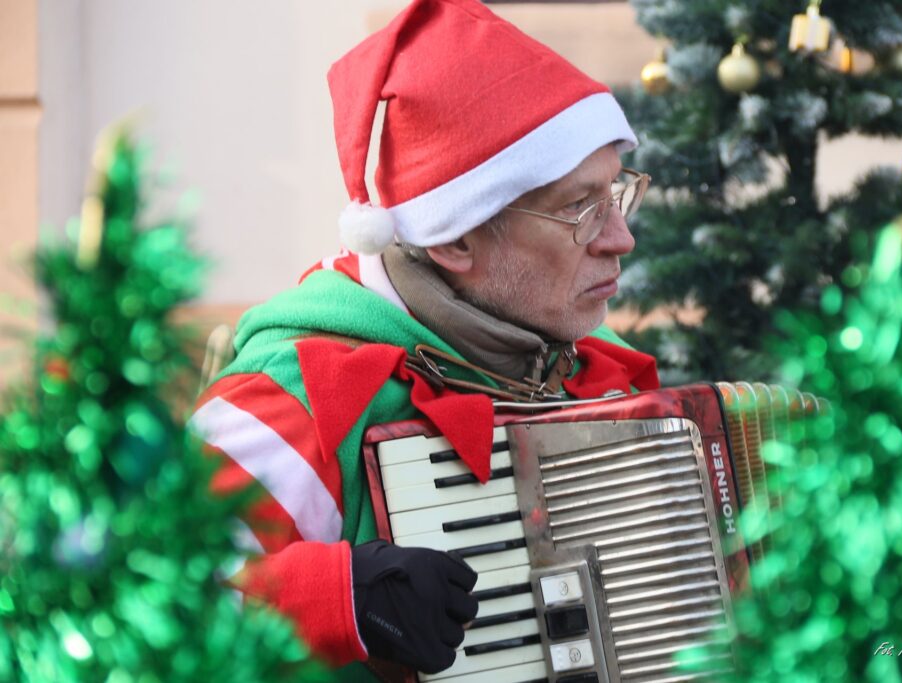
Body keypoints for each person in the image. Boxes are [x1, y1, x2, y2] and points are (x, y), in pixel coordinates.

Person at [189, 0, 660, 679]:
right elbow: (135, 592)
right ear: (456, 239)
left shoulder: (580, 357)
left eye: (616, 193)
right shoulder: (303, 392)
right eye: (579, 208)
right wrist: (342, 599)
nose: (620, 238)